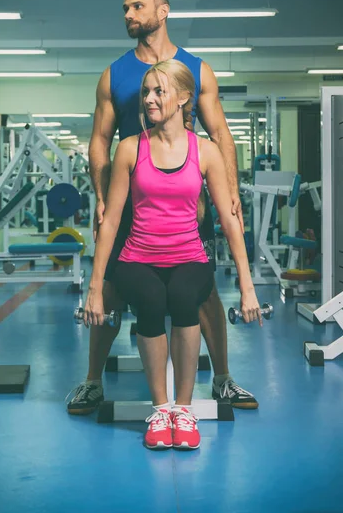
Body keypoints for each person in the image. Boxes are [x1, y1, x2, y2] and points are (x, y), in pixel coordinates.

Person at [66, 0, 259, 416]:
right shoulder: (114, 74)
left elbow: (219, 134)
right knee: (111, 286)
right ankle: (93, 381)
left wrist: (229, 194)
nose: (129, 15)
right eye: (125, 8)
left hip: (189, 199)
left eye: (137, 6)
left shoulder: (196, 69)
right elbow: (99, 141)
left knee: (201, 288)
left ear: (164, 11)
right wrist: (100, 195)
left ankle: (223, 379)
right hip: (131, 195)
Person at [85, 59, 261, 449]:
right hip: (138, 257)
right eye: (146, 91)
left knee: (184, 298)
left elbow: (231, 223)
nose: (149, 98)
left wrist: (248, 288)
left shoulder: (206, 151)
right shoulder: (130, 149)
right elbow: (111, 222)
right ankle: (161, 408)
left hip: (189, 256)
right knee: (149, 301)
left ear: (184, 98)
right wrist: (95, 287)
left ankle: (183, 410)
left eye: (158, 91)